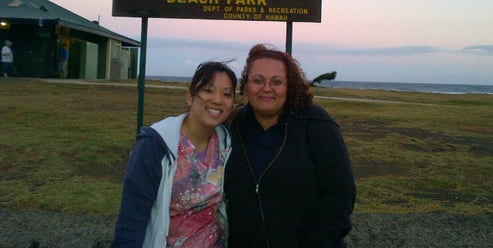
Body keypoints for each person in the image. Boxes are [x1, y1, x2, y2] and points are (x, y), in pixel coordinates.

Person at [224, 44, 356, 248]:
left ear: (290, 85)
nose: (266, 88)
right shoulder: (233, 125)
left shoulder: (315, 124)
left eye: (277, 82)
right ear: (246, 84)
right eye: (258, 80)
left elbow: (340, 198)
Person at [112, 61, 237, 248]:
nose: (218, 100)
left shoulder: (226, 143)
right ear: (189, 97)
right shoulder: (155, 145)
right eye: (208, 90)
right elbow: (132, 216)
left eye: (226, 94)